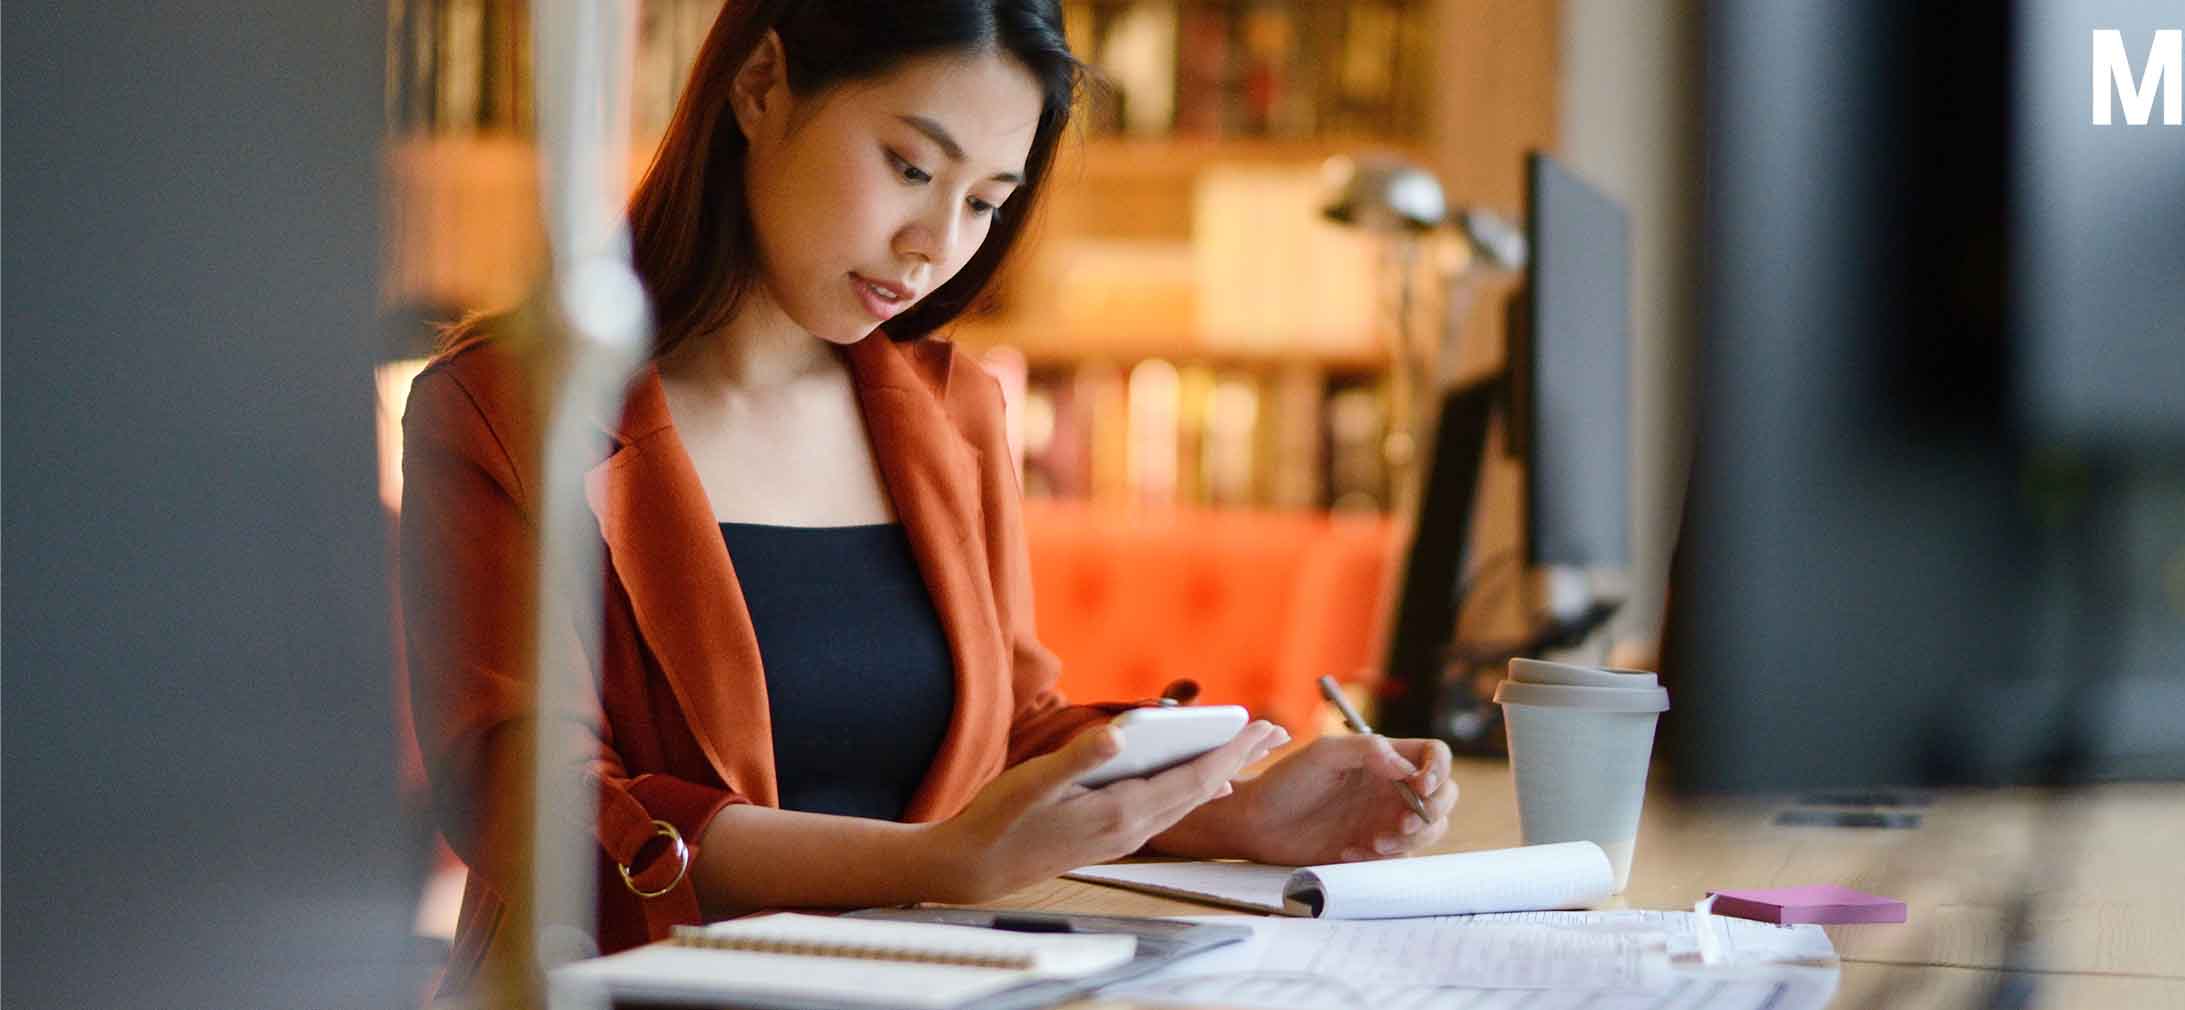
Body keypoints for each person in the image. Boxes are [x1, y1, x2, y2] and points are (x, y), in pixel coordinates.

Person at [400, 0, 1459, 995]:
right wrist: (934, 860)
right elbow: (532, 805)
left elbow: (1009, 732)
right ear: (761, 86)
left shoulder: (948, 413)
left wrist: (1231, 808)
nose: (937, 243)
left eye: (988, 201)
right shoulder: (507, 411)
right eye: (911, 165)